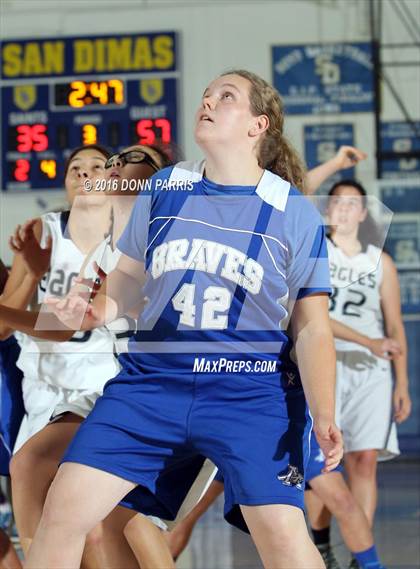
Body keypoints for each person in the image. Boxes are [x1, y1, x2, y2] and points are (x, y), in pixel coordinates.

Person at [21, 69, 344, 569]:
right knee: (62, 513)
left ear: (259, 125)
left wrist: (324, 410)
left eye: (225, 96)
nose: (208, 102)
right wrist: (99, 308)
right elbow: (128, 277)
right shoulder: (167, 186)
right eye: (206, 95)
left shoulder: (293, 211)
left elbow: (312, 325)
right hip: (151, 385)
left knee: (284, 537)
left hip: (247, 391)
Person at [0, 144, 178, 567]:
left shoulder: (170, 231)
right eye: (79, 167)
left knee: (117, 516)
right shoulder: (92, 248)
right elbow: (66, 324)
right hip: (85, 391)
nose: (99, 172)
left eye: (109, 163)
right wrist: (33, 278)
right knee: (108, 520)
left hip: (149, 388)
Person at [306, 179, 412, 569]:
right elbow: (313, 317)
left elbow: (394, 326)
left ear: (364, 213)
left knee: (364, 461)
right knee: (325, 463)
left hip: (372, 371)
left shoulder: (380, 261)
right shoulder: (316, 254)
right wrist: (369, 342)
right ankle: (320, 545)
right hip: (326, 363)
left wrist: (402, 382)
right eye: (337, 202)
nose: (345, 209)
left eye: (353, 203)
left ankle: (358, 552)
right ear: (327, 210)